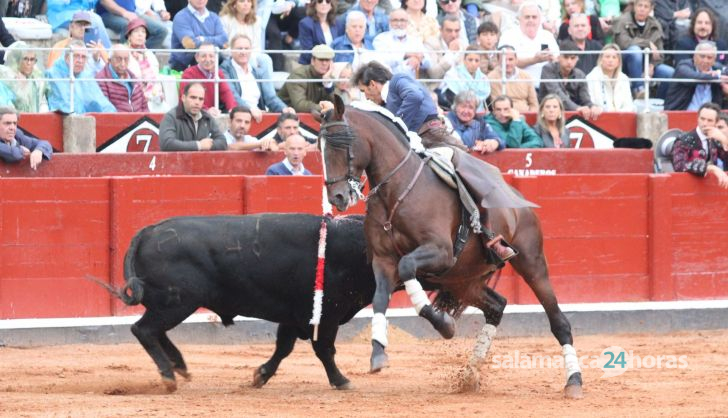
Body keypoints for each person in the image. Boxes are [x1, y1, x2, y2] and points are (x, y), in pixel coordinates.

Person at [351, 60, 521, 262]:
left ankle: (490, 236)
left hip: (434, 138)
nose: (366, 96)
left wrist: (393, 125)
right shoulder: (386, 102)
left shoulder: (398, 80)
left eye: (364, 90)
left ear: (372, 84)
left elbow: (413, 97)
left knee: (464, 176)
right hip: (412, 143)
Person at [612, 0, 674, 99]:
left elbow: (660, 53)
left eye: (646, 7)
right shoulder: (622, 20)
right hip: (624, 64)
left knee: (670, 73)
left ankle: (659, 102)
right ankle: (639, 89)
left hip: (647, 65)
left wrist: (652, 65)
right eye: (640, 5)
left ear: (651, 9)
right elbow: (623, 43)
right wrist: (648, 44)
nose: (642, 9)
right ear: (634, 6)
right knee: (635, 50)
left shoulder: (655, 24)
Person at [221, 34, 292, 120]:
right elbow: (233, 96)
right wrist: (249, 110)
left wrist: (284, 108)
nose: (243, 52)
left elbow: (270, 97)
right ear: (231, 51)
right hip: (237, 116)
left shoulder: (256, 72)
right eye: (239, 48)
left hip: (259, 116)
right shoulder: (224, 69)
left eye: (246, 49)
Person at [498, 1, 560, 90]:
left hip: (547, 87)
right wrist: (534, 60)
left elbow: (558, 59)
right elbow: (505, 63)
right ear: (519, 18)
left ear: (540, 19)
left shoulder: (547, 36)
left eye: (534, 17)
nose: (531, 20)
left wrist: (553, 59)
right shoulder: (508, 35)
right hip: (517, 87)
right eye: (527, 17)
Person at [46, 40, 117, 114]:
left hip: (89, 120)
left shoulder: (86, 75)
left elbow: (103, 103)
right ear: (66, 58)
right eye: (76, 56)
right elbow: (63, 106)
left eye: (83, 57)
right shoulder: (53, 74)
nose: (80, 61)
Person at [671, 102, 728, 189]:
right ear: (697, 118)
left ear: (716, 122)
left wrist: (724, 140)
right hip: (686, 189)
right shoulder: (684, 140)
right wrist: (710, 168)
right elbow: (680, 166)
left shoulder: (715, 140)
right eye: (702, 119)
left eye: (710, 120)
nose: (705, 123)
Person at [539, 40, 602, 119]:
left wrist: (592, 107)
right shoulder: (548, 69)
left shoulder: (580, 75)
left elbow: (585, 99)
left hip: (572, 117)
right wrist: (577, 108)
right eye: (566, 57)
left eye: (572, 58)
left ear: (577, 59)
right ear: (558, 57)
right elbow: (556, 93)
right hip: (548, 115)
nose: (569, 61)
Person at [159, 82, 228, 151]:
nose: (197, 102)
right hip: (176, 161)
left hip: (202, 161)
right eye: (193, 97)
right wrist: (198, 145)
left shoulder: (207, 118)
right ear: (183, 98)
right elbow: (167, 143)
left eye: (201, 99)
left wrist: (208, 145)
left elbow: (223, 142)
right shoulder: (171, 117)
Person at [180, 42, 240, 116]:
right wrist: (206, 110)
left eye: (211, 56)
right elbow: (188, 100)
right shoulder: (188, 73)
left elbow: (226, 92)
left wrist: (232, 109)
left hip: (208, 117)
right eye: (203, 56)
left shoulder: (218, 73)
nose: (208, 59)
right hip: (190, 116)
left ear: (215, 57)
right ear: (197, 58)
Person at [664, 42, 728, 111]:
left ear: (714, 60)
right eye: (702, 56)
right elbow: (694, 77)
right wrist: (717, 77)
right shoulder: (683, 66)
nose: (705, 61)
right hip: (681, 113)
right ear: (694, 56)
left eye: (709, 58)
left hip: (710, 117)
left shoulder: (718, 69)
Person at [169, 0, 229, 71]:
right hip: (184, 66)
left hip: (213, 64)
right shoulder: (181, 17)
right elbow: (190, 44)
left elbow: (224, 41)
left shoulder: (214, 17)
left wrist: (202, 39)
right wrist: (215, 41)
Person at [279, 44, 336, 117]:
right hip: (286, 117)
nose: (324, 63)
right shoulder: (299, 75)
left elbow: (339, 102)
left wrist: (328, 86)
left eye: (327, 60)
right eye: (321, 60)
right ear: (312, 61)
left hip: (312, 118)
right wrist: (325, 107)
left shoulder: (329, 77)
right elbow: (299, 105)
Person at [372, 8, 430, 78]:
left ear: (407, 23)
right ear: (389, 22)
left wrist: (419, 59)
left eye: (402, 20)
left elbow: (429, 63)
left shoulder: (415, 40)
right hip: (388, 83)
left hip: (410, 83)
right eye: (395, 20)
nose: (399, 24)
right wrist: (405, 55)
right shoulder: (380, 39)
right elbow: (382, 60)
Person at [125, 17, 166, 112]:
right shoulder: (124, 53)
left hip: (154, 97)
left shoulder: (150, 55)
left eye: (143, 32)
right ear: (129, 36)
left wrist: (157, 94)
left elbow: (156, 79)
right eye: (136, 31)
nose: (140, 34)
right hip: (133, 99)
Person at [96, 44, 150, 112]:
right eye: (118, 59)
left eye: (126, 59)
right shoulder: (102, 79)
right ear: (109, 60)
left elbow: (144, 107)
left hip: (139, 120)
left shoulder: (133, 78)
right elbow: (105, 110)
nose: (123, 63)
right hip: (117, 121)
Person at [96, 0, 168, 49]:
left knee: (161, 31)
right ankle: (126, 60)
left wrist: (146, 11)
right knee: (129, 26)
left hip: (132, 13)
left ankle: (144, 59)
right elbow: (104, 1)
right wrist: (124, 13)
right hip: (108, 14)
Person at [0, 41, 49, 113]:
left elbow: (43, 102)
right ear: (18, 59)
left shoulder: (37, 78)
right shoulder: (6, 75)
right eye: (25, 59)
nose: (29, 63)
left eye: (32, 59)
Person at [488, 45, 539, 113]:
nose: (507, 63)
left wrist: (531, 116)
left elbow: (534, 104)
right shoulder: (492, 77)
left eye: (510, 59)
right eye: (504, 60)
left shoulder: (526, 76)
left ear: (516, 60)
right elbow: (497, 105)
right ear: (498, 61)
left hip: (526, 117)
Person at [586, 43, 636, 112]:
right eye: (607, 57)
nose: (610, 60)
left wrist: (617, 114)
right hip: (600, 117)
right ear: (601, 60)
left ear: (618, 62)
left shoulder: (624, 78)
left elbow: (629, 105)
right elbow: (591, 103)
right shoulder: (591, 77)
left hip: (620, 118)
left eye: (614, 57)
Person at [440, 46, 491, 112]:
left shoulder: (483, 78)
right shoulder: (454, 74)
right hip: (459, 111)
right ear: (464, 60)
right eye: (470, 60)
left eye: (476, 60)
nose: (473, 63)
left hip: (479, 112)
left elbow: (485, 95)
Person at [47, 0, 112, 50]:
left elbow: (90, 3)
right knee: (94, 19)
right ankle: (109, 56)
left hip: (81, 13)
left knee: (92, 21)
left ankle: (103, 55)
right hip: (61, 14)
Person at [424, 15, 465, 89]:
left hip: (461, 88)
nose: (453, 35)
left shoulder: (463, 45)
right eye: (449, 31)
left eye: (457, 31)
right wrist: (450, 53)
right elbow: (433, 74)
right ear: (441, 30)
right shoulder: (431, 44)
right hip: (439, 88)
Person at [298, 0, 340, 65]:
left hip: (332, 63)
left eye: (327, 1)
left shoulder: (336, 23)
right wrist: (325, 62)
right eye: (320, 1)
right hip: (312, 65)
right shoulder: (305, 23)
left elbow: (339, 46)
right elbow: (307, 51)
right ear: (314, 4)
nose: (324, 3)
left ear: (331, 6)